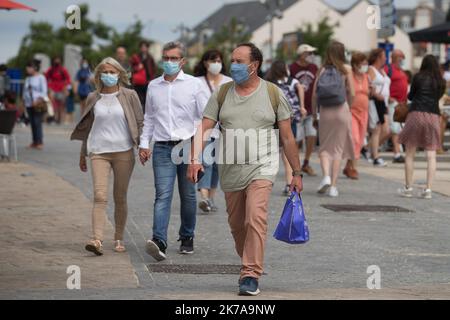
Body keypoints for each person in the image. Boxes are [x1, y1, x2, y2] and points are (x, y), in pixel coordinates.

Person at [187, 43, 303, 296]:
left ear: (255, 65)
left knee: (255, 218)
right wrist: (194, 158)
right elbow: (204, 127)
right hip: (230, 169)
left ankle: (250, 274)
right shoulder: (222, 93)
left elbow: (288, 137)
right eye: (233, 61)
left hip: (262, 166)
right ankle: (249, 261)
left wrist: (296, 172)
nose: (234, 65)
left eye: (240, 61)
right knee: (238, 226)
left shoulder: (273, 93)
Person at [138, 42, 208, 261]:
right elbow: (149, 117)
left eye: (173, 58)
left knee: (187, 195)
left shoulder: (194, 85)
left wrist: (200, 151)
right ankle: (159, 240)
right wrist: (143, 143)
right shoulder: (153, 86)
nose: (168, 62)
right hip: (162, 148)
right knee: (162, 195)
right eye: (166, 58)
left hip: (188, 146)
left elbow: (204, 118)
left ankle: (187, 236)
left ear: (183, 61)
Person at [70, 57, 144, 255]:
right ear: (99, 75)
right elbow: (87, 127)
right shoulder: (93, 97)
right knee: (99, 196)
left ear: (119, 74)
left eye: (112, 72)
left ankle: (119, 237)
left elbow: (140, 122)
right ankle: (96, 239)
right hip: (99, 152)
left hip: (124, 152)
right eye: (105, 72)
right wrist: (82, 153)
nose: (109, 75)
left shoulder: (130, 95)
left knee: (119, 197)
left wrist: (143, 147)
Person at [398, 55, 446, 199]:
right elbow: (437, 97)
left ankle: (408, 188)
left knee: (410, 153)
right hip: (433, 116)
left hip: (416, 114)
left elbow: (411, 96)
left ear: (423, 64)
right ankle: (428, 190)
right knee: (431, 155)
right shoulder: (441, 81)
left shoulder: (417, 77)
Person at [312, 41, 355, 197]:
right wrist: (348, 106)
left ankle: (326, 177)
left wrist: (314, 114)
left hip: (325, 111)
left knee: (324, 148)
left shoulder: (322, 70)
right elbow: (353, 92)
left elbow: (314, 95)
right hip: (341, 109)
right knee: (337, 149)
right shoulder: (346, 69)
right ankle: (334, 187)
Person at [193, 49, 232, 213]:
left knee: (217, 166)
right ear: (205, 63)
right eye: (212, 60)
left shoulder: (228, 81)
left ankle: (211, 197)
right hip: (203, 128)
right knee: (205, 162)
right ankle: (203, 196)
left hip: (223, 130)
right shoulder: (197, 82)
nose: (216, 64)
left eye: (218, 60)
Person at [266, 60, 306, 194]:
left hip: (273, 118)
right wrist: (301, 106)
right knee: (287, 149)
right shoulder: (291, 81)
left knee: (274, 151)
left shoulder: (269, 83)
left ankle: (267, 181)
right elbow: (300, 87)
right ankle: (289, 182)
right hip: (290, 117)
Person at [289, 44, 319, 177]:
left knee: (312, 135)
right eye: (309, 53)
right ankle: (295, 165)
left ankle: (306, 163)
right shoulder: (292, 68)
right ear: (302, 54)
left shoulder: (314, 68)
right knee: (297, 139)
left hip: (311, 108)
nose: (311, 56)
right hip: (297, 109)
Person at [343, 52, 369, 180]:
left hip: (364, 112)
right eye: (362, 63)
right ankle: (353, 167)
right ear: (355, 64)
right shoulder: (349, 75)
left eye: (366, 63)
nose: (365, 65)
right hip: (352, 111)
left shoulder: (365, 76)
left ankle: (349, 166)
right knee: (355, 139)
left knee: (359, 141)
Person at [367, 48, 391, 167]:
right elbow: (368, 85)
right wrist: (376, 94)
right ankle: (375, 156)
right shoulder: (371, 69)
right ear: (378, 57)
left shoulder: (382, 70)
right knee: (377, 129)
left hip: (384, 102)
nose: (385, 58)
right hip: (375, 101)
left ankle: (367, 149)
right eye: (384, 56)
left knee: (386, 130)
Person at [385, 49, 407, 163]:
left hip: (401, 103)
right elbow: (384, 83)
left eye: (403, 57)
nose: (402, 58)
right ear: (394, 57)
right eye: (400, 56)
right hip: (393, 102)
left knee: (395, 129)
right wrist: (388, 97)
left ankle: (368, 148)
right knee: (394, 129)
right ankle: (397, 153)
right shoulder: (388, 69)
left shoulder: (401, 70)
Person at [23, 59, 47, 150]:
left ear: (35, 68)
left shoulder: (41, 77)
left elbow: (44, 91)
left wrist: (37, 100)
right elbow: (25, 91)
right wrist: (24, 101)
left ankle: (40, 141)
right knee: (32, 123)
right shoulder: (27, 79)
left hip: (38, 104)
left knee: (37, 122)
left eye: (29, 67)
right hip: (29, 104)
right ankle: (34, 141)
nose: (27, 69)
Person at [45, 57, 71, 124]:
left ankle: (60, 118)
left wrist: (65, 86)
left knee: (61, 104)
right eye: (55, 60)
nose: (56, 61)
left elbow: (68, 79)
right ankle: (53, 117)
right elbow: (45, 78)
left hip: (61, 89)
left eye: (58, 60)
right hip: (53, 89)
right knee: (53, 103)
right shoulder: (51, 70)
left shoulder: (63, 70)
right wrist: (49, 86)